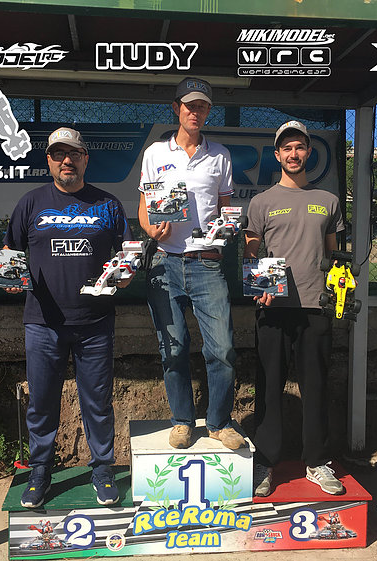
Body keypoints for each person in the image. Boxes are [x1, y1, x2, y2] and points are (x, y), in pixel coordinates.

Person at [4, 127, 131, 508]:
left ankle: (102, 469)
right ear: (48, 161)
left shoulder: (108, 204)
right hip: (43, 323)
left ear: (85, 159)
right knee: (42, 403)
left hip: (95, 323)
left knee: (98, 403)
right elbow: (10, 250)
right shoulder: (31, 202)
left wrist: (125, 273)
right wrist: (9, 276)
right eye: (58, 154)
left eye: (74, 154)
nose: (67, 161)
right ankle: (40, 471)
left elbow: (127, 252)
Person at [138, 77, 244, 450]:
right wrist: (151, 229)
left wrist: (225, 231)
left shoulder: (220, 155)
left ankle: (219, 423)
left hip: (206, 264)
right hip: (164, 262)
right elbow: (144, 207)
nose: (195, 112)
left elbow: (227, 207)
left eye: (201, 106)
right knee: (173, 348)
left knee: (223, 349)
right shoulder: (155, 153)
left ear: (208, 111)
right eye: (189, 105)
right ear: (176, 108)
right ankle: (182, 421)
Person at [244, 120, 346, 496]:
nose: (293, 153)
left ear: (309, 152)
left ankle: (317, 463)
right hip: (273, 308)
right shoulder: (262, 202)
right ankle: (266, 462)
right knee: (268, 387)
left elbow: (334, 255)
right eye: (286, 148)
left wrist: (339, 288)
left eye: (299, 147)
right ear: (277, 155)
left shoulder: (329, 200)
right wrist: (260, 288)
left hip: (316, 307)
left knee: (315, 387)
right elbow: (251, 253)